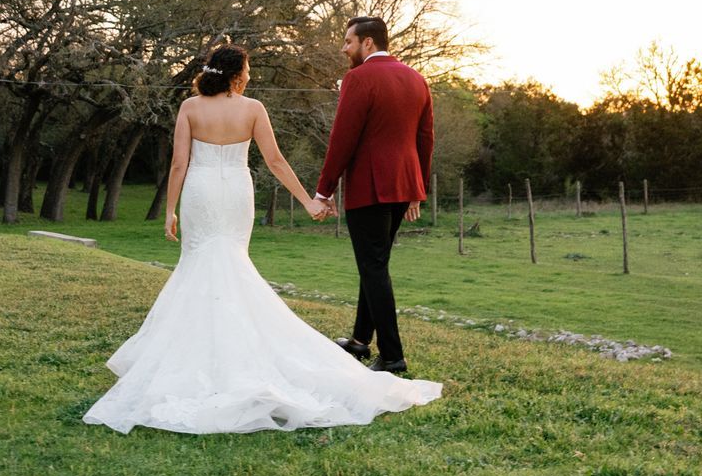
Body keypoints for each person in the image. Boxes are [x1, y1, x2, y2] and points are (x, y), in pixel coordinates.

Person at [83, 45, 441, 434]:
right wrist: (308, 202)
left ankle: (202, 357)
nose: (250, 75)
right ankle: (233, 354)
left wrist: (169, 209)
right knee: (232, 264)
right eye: (248, 69)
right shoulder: (253, 108)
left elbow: (179, 163)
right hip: (236, 191)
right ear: (237, 74)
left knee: (201, 264)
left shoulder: (190, 107)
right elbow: (275, 161)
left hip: (200, 193)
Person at [315, 15, 435, 376]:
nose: (344, 48)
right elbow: (426, 138)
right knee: (375, 264)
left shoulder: (358, 78)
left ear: (368, 43)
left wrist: (324, 189)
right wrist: (419, 189)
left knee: (374, 267)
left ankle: (393, 355)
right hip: (404, 185)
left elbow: (342, 139)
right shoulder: (417, 79)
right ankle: (359, 341)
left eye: (348, 42)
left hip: (370, 187)